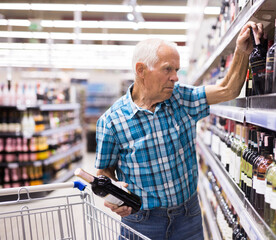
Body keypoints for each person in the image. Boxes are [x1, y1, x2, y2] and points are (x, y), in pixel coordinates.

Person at [95, 21, 263, 240]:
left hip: (188, 215)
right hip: (142, 221)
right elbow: (104, 172)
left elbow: (228, 89)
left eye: (176, 69)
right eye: (168, 69)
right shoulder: (111, 122)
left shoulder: (181, 99)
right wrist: (115, 195)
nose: (175, 76)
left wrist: (241, 52)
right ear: (141, 70)